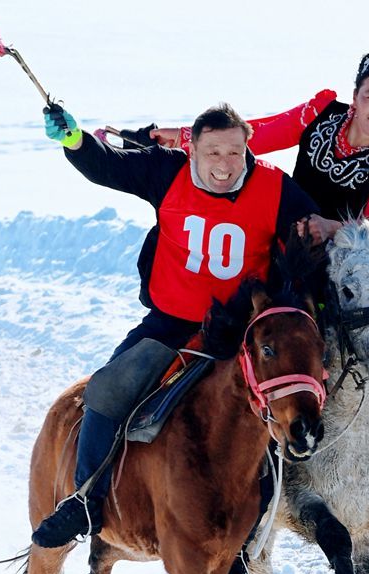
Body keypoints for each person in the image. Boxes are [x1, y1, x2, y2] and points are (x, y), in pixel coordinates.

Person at [147, 36, 369, 491]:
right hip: (292, 249)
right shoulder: (320, 114)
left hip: (357, 259)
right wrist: (185, 139)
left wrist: (331, 227)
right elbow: (263, 131)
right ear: (355, 95)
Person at [31, 103, 320, 548]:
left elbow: (309, 237)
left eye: (234, 152)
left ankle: (248, 546)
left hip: (242, 334)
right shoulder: (167, 173)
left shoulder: (276, 188)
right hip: (171, 324)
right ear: (193, 151)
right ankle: (87, 500)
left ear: (248, 150)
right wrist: (74, 140)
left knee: (274, 411)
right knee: (108, 389)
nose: (224, 165)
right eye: (213, 153)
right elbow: (106, 166)